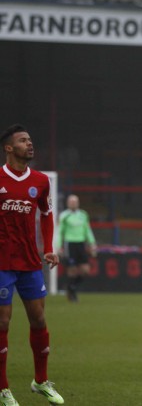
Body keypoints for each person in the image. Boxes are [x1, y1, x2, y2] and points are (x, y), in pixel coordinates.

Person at [0, 124, 64, 405]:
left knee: (38, 319)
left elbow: (47, 214)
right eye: (23, 140)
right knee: (3, 321)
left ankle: (40, 381)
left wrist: (48, 249)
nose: (30, 144)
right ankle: (3, 389)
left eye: (30, 140)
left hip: (29, 262)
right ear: (9, 147)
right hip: (1, 262)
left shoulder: (40, 180)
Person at [54, 194, 97, 302]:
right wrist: (58, 246)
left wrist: (92, 243)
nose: (73, 203)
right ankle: (72, 293)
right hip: (70, 244)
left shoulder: (83, 214)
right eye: (71, 202)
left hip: (81, 244)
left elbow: (87, 230)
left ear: (78, 203)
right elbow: (60, 232)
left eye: (75, 202)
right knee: (72, 270)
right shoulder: (64, 215)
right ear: (68, 203)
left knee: (85, 270)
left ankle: (71, 287)